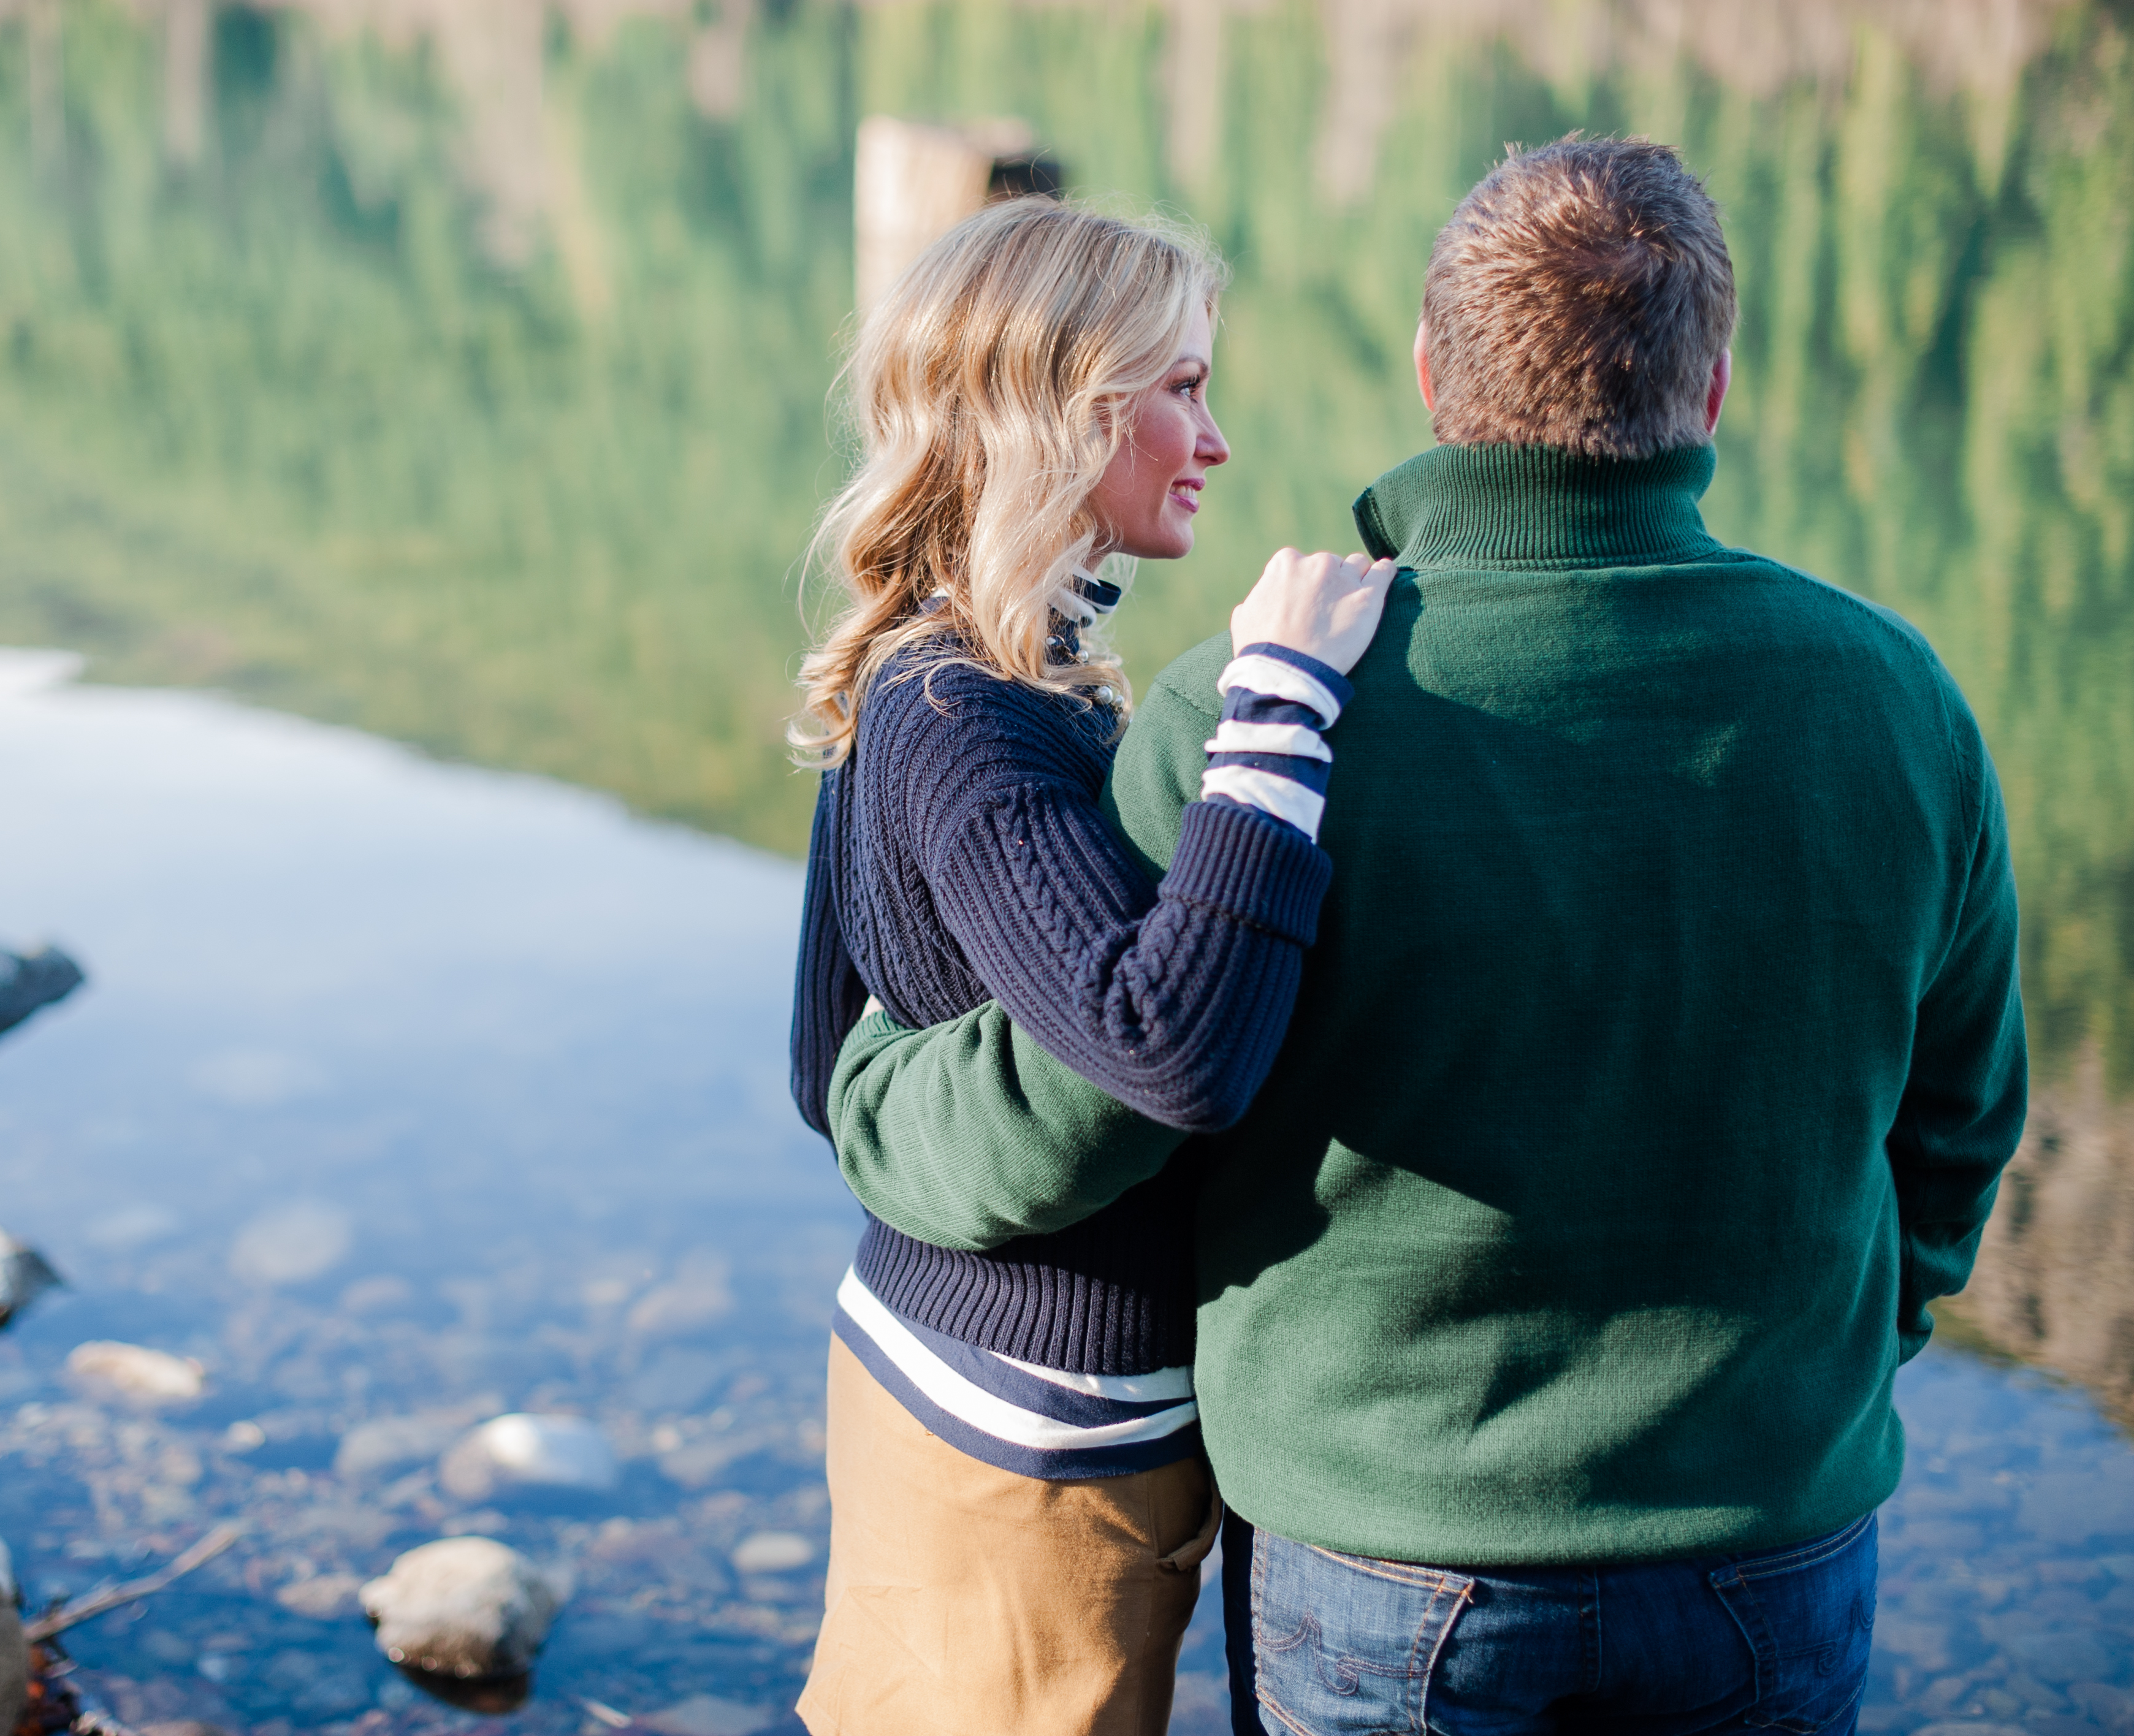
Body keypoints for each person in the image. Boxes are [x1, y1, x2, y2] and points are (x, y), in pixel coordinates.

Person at [823, 137, 2027, 1734]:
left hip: (1386, 1558)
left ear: (1432, 371)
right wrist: (1849, 1352)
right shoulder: (1898, 699)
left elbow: (1078, 1113)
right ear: (1714, 388)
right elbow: (1963, 1121)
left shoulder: (1260, 708)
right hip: (1775, 1533)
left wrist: (873, 1090)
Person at [787, 197, 1395, 1735]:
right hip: (1018, 1431)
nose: (1217, 434)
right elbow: (1164, 1045)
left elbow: (822, 1055)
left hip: (973, 1382)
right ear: (1061, 406)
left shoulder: (945, 672)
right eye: (1181, 386)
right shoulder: (967, 714)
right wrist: (1281, 700)